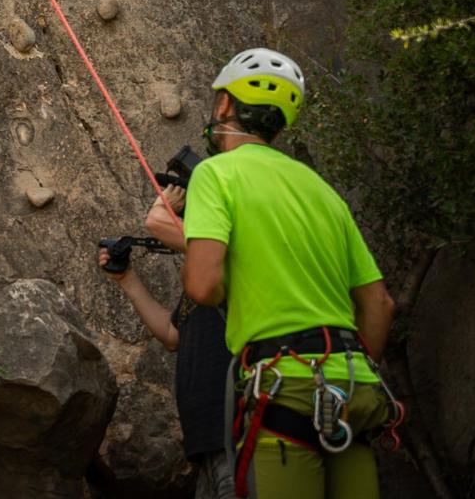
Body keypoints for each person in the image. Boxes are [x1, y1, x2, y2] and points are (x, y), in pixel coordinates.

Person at [144, 48, 400, 499]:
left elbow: (202, 287)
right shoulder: (321, 190)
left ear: (224, 105)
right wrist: (349, 371)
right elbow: (379, 304)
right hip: (357, 389)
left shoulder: (216, 175)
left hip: (288, 386)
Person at [99, 185, 237, 499]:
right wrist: (127, 279)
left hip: (234, 431)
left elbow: (159, 225)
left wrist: (163, 210)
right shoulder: (202, 285)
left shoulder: (235, 260)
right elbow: (173, 336)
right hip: (206, 440)